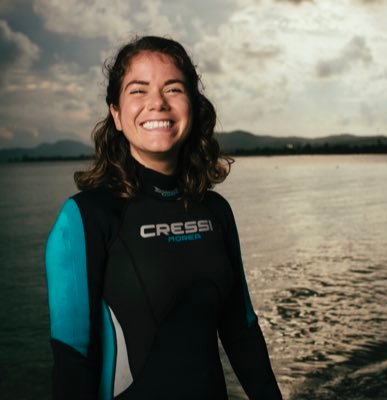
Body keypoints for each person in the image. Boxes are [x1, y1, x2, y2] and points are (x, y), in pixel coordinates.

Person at [45, 35, 282, 400]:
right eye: (138, 91)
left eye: (173, 89)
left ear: (193, 106)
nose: (157, 103)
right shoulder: (85, 218)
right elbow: (72, 358)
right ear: (116, 114)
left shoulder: (215, 211)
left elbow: (242, 330)